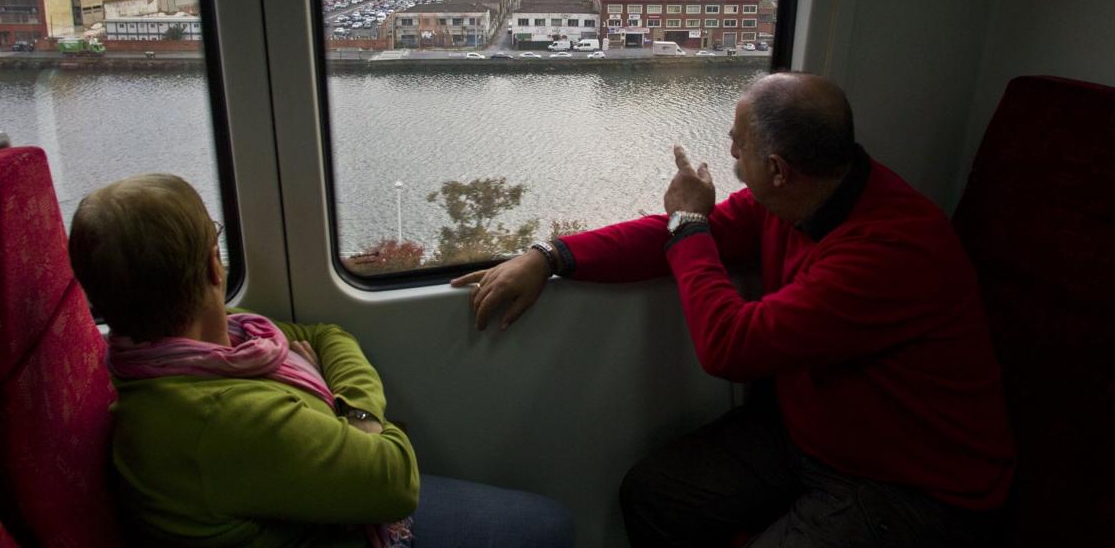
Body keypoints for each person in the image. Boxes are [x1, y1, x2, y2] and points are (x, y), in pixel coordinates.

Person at [451, 72, 1015, 547]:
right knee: (654, 494)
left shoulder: (890, 249)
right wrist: (550, 256)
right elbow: (670, 236)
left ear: (778, 169)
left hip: (912, 484)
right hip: (815, 437)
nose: (727, 152)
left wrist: (690, 223)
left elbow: (730, 345)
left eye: (737, 143)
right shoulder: (794, 197)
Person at [69, 173, 573, 548]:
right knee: (551, 526)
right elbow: (396, 478)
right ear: (211, 264)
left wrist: (331, 413)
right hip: (337, 528)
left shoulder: (211, 345)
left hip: (320, 503)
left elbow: (325, 333)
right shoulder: (219, 416)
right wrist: (345, 411)